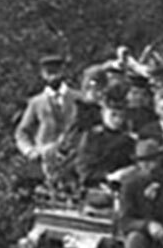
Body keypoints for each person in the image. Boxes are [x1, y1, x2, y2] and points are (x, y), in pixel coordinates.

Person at [15, 54, 79, 192]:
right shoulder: (36, 102)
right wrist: (30, 151)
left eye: (56, 72)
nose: (53, 77)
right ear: (43, 75)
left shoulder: (78, 98)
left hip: (73, 159)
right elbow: (22, 132)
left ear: (63, 72)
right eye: (49, 73)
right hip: (44, 160)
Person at [74, 83, 136, 206]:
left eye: (121, 116)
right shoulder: (92, 137)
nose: (117, 120)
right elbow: (84, 170)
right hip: (94, 190)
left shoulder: (129, 140)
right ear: (103, 113)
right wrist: (109, 176)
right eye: (113, 115)